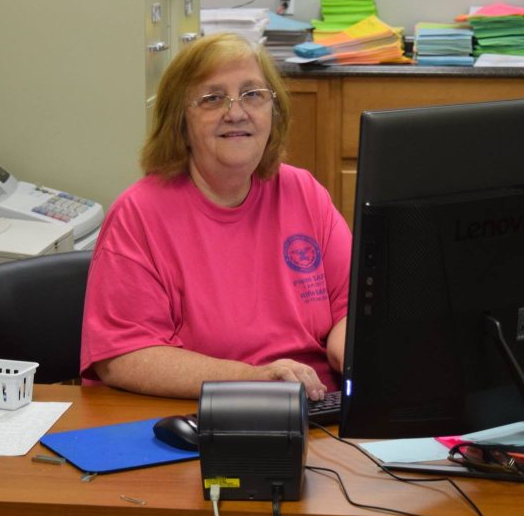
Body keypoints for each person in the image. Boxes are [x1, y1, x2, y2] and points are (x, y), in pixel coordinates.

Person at [80, 32, 351, 401]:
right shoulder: (139, 215)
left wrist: (351, 354)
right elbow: (124, 356)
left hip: (318, 408)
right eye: (212, 98)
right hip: (200, 416)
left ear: (274, 111)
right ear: (181, 123)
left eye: (253, 94)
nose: (236, 112)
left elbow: (351, 309)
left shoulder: (303, 192)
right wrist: (253, 379)